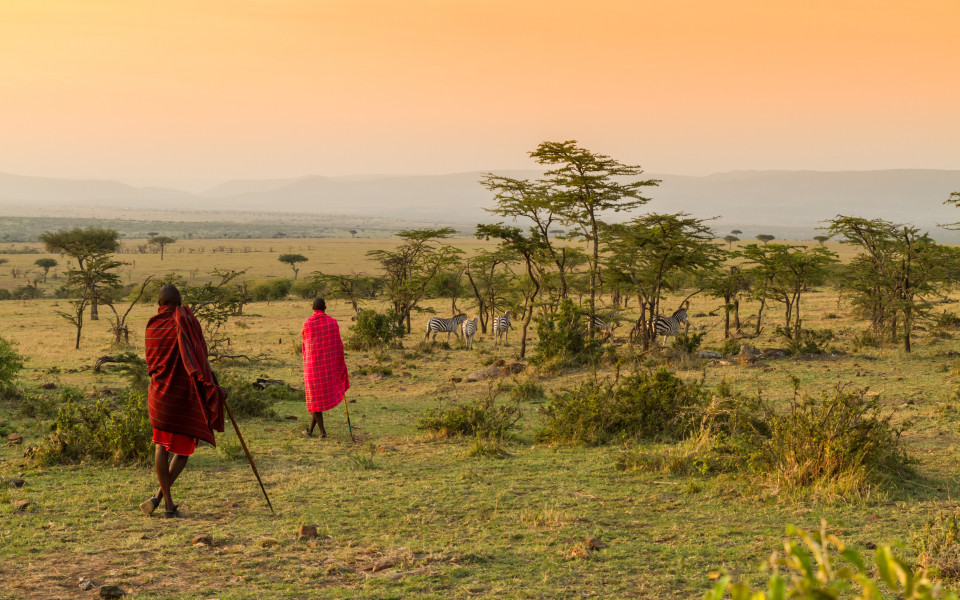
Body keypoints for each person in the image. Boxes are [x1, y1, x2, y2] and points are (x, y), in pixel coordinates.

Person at [140, 284, 225, 518]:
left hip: (158, 394)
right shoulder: (184, 321)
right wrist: (213, 386)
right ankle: (167, 504)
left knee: (161, 445)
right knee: (184, 450)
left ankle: (160, 499)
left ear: (159, 304)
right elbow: (198, 358)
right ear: (179, 302)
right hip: (180, 395)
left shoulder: (152, 325)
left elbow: (152, 361)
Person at [301, 297, 349, 437]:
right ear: (325, 307)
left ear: (313, 308)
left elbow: (305, 343)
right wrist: (340, 364)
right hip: (328, 367)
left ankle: (322, 432)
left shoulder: (307, 323)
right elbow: (338, 345)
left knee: (314, 400)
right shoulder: (333, 323)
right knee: (316, 400)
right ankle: (310, 430)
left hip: (312, 367)